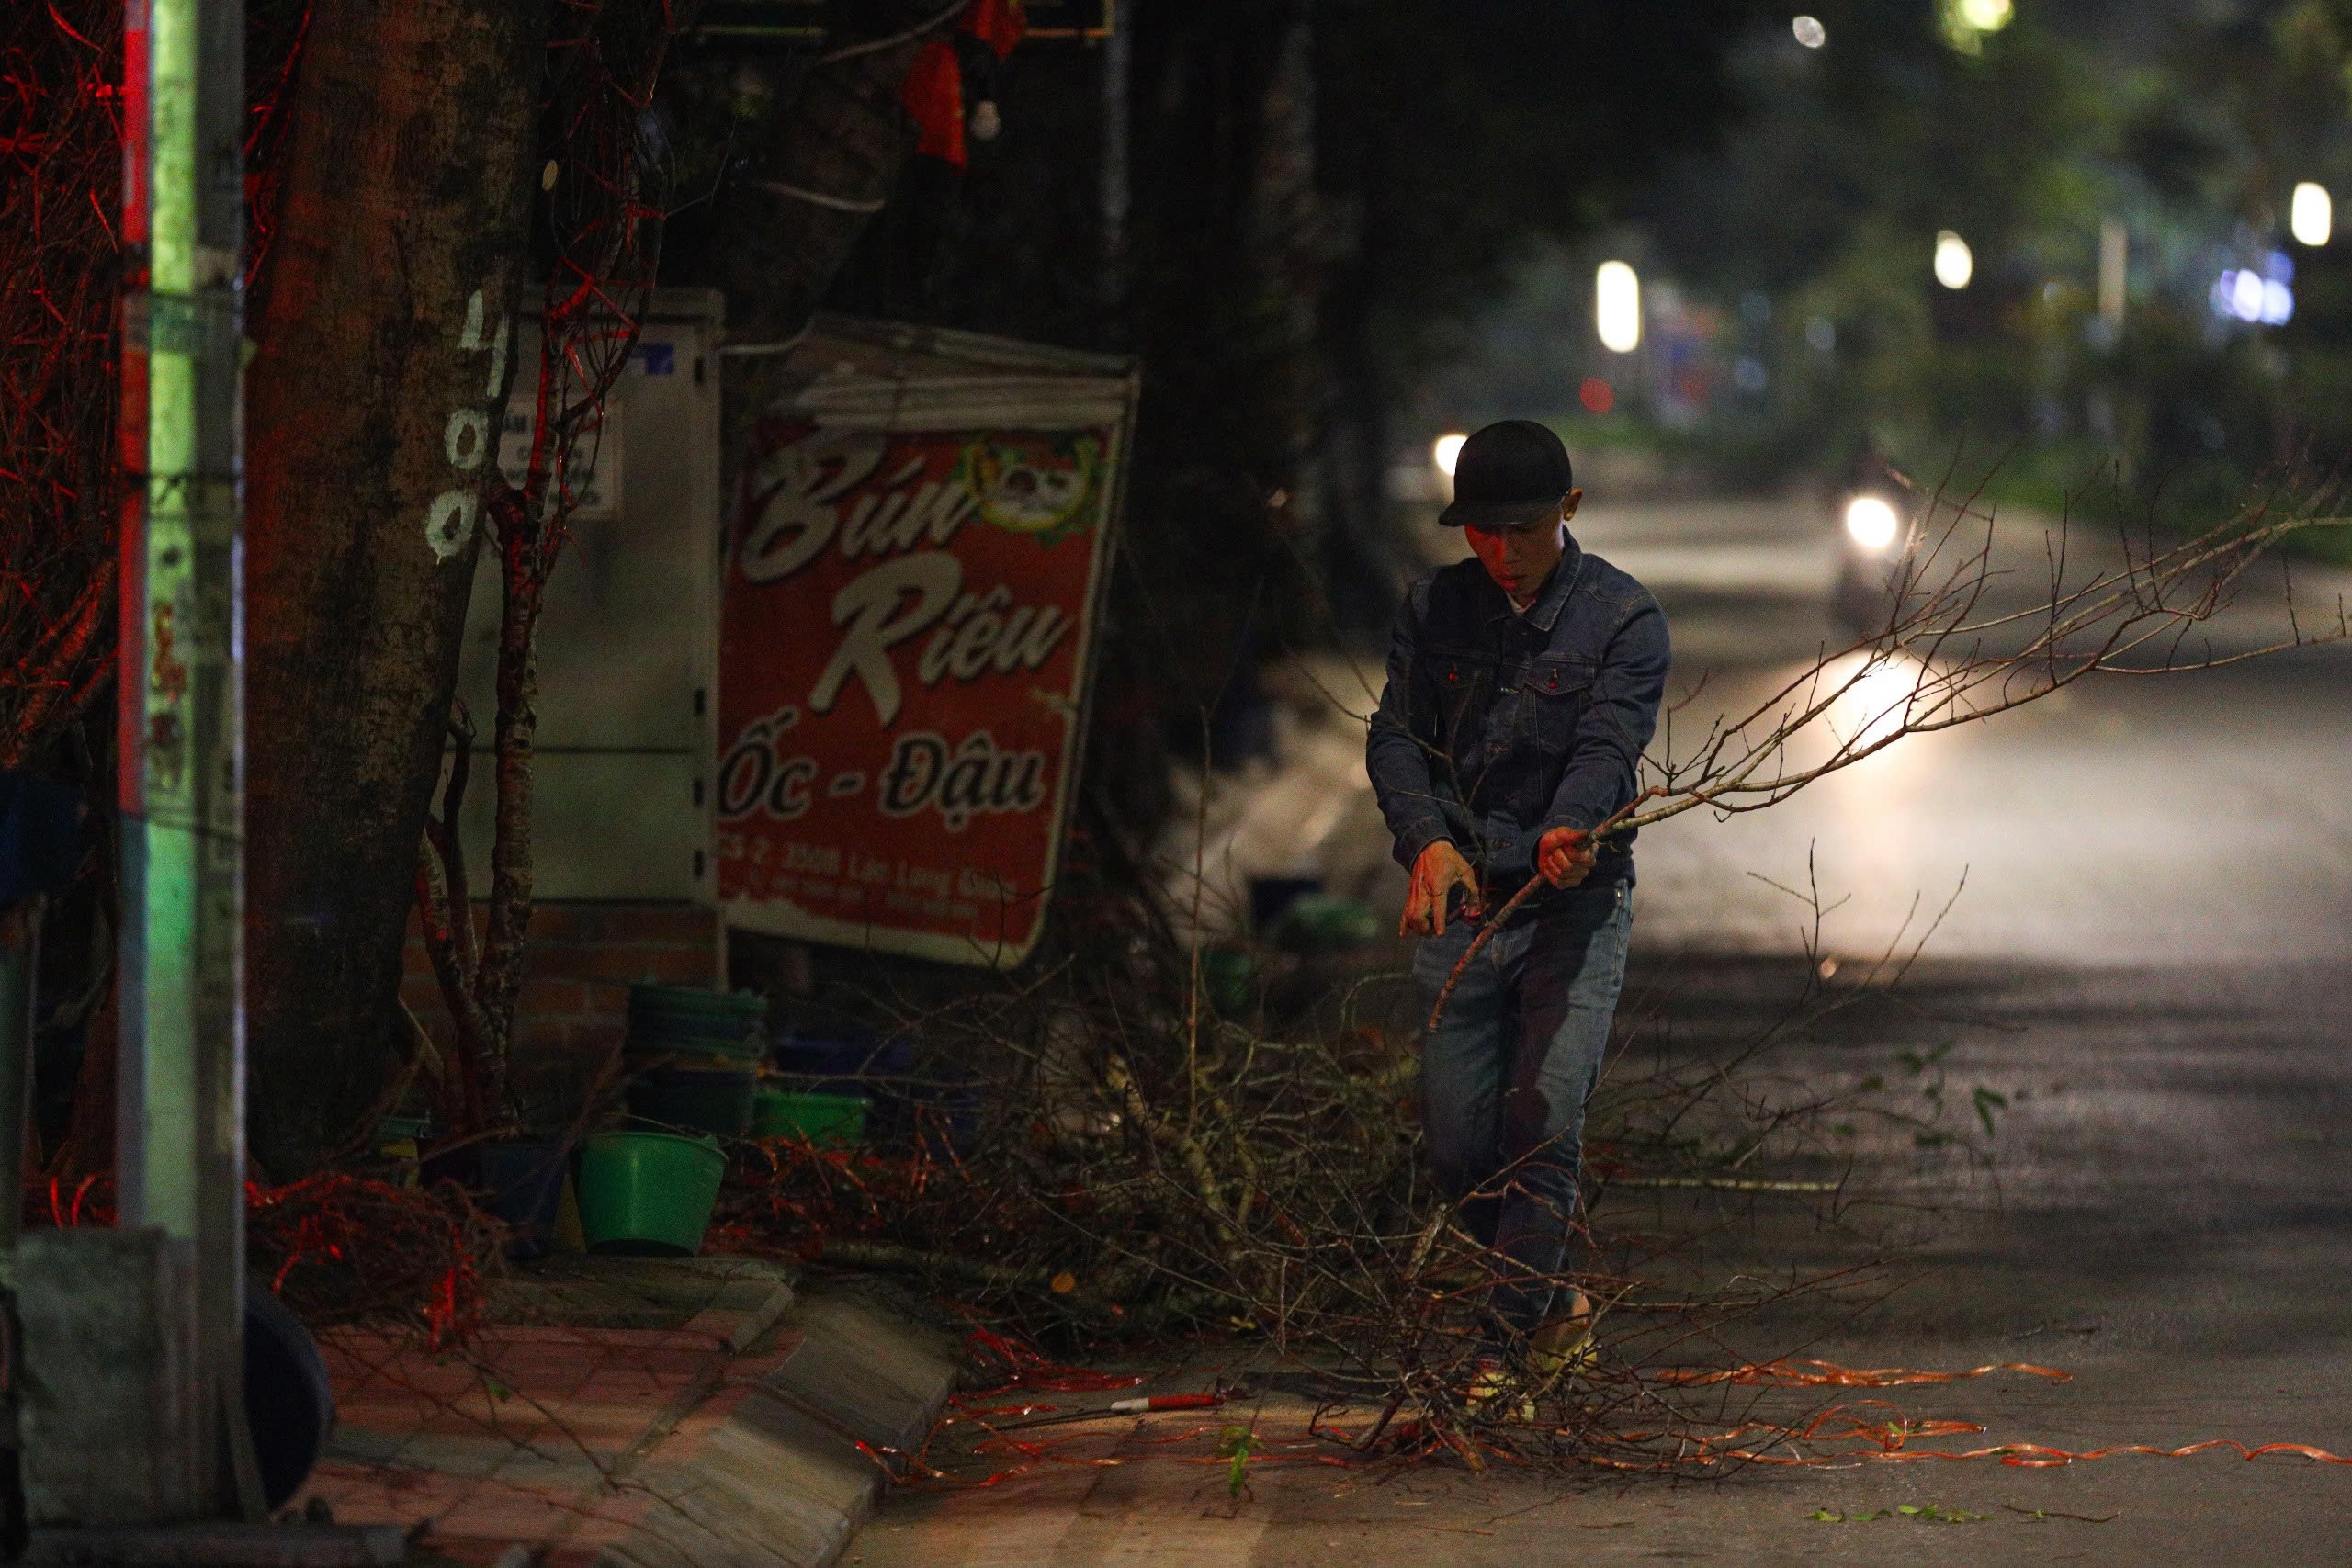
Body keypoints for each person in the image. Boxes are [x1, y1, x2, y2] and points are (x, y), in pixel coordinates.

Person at [1364, 419, 1668, 1383]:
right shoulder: (1434, 608)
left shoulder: (1622, 620)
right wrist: (1428, 846)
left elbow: (1606, 747)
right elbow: (1394, 738)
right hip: (1463, 905)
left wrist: (1569, 829)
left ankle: (1499, 1360)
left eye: (1524, 531)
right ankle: (1554, 1297)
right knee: (1461, 1148)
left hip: (1569, 906)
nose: (1503, 554)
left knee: (1540, 1123)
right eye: (1482, 533)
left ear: (1569, 512)